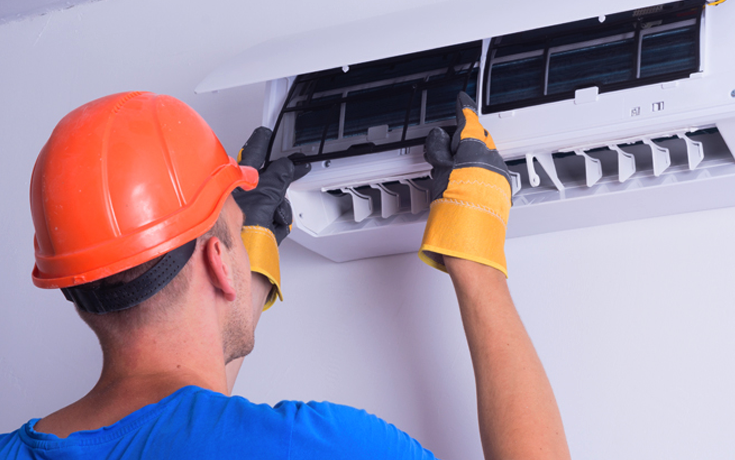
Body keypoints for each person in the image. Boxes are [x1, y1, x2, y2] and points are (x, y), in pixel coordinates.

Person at [0, 91, 570, 459]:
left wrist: (241, 281)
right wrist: (475, 253)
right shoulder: (318, 446)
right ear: (218, 263)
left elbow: (180, 433)